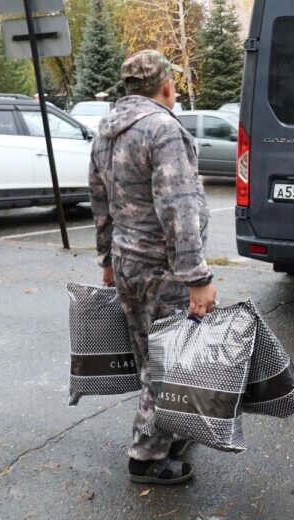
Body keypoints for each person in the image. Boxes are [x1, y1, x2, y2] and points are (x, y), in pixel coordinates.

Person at [88, 50, 217, 485]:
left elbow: (99, 201)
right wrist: (197, 277)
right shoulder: (163, 128)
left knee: (150, 356)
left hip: (128, 263)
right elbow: (177, 208)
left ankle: (167, 431)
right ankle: (146, 456)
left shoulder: (106, 131)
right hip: (164, 270)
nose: (175, 91)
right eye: (174, 84)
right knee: (168, 363)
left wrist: (107, 259)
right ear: (165, 86)